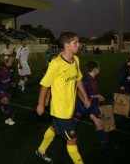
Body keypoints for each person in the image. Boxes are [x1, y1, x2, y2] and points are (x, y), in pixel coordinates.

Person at [36, 31, 90, 164]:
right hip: (60, 110)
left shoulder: (76, 60)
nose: (79, 44)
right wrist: (41, 104)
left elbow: (78, 80)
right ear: (66, 45)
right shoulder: (55, 64)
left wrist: (85, 97)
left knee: (54, 129)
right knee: (72, 140)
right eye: (75, 43)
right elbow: (44, 86)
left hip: (70, 107)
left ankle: (41, 151)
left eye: (78, 42)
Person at [73, 60, 116, 152]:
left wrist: (97, 96)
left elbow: (90, 93)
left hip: (93, 106)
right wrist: (85, 100)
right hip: (83, 107)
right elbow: (79, 91)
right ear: (95, 69)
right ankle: (69, 139)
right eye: (99, 68)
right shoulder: (87, 79)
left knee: (99, 123)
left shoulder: (91, 78)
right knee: (73, 124)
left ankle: (104, 143)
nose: (99, 69)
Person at [0, 61, 15, 125]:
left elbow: (10, 77)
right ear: (4, 65)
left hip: (7, 88)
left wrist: (12, 82)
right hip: (0, 88)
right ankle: (7, 119)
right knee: (7, 102)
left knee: (2, 102)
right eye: (9, 62)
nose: (10, 63)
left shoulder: (9, 70)